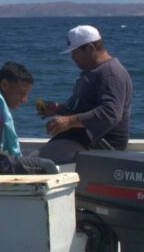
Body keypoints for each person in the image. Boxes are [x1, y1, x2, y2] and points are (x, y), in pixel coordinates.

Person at [37, 25, 133, 164]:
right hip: (80, 140)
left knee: (33, 163)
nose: (72, 57)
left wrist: (69, 121)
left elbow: (111, 113)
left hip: (98, 145)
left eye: (75, 52)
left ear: (90, 48)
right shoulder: (93, 71)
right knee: (30, 161)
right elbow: (85, 109)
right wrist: (58, 109)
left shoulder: (110, 72)